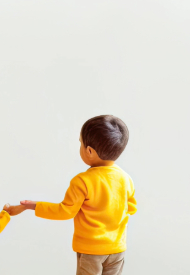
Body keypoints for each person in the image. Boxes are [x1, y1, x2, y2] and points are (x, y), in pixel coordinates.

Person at [20, 115, 137, 275]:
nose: (80, 146)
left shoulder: (82, 181)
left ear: (89, 151)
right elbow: (131, 208)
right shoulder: (126, 179)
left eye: (81, 143)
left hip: (92, 250)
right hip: (118, 248)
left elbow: (65, 211)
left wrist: (33, 206)